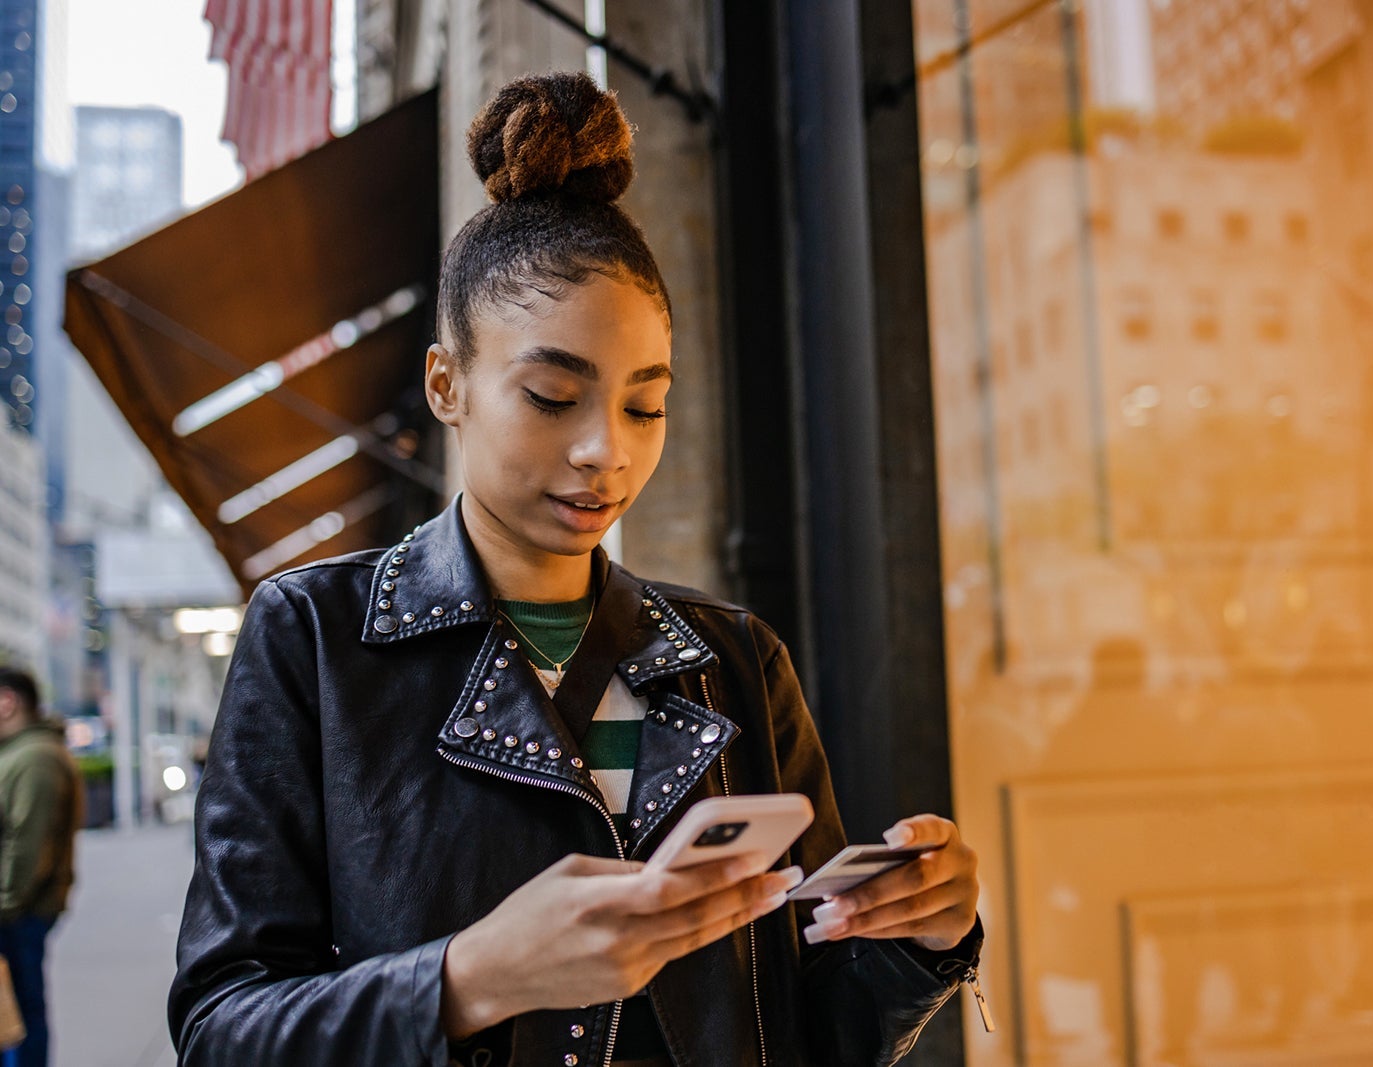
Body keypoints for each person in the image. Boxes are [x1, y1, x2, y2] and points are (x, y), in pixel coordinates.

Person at [170, 72, 983, 1067]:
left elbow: (809, 1028)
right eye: (554, 395)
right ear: (447, 383)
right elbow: (222, 1028)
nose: (608, 449)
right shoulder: (316, 636)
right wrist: (471, 977)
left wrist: (923, 935)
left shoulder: (734, 657)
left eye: (645, 404)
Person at [0, 667, 83, 1067]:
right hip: (18, 909)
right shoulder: (24, 752)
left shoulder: (34, 757)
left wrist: (4, 905)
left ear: (7, 701)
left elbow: (27, 846)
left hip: (18, 913)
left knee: (19, 1015)